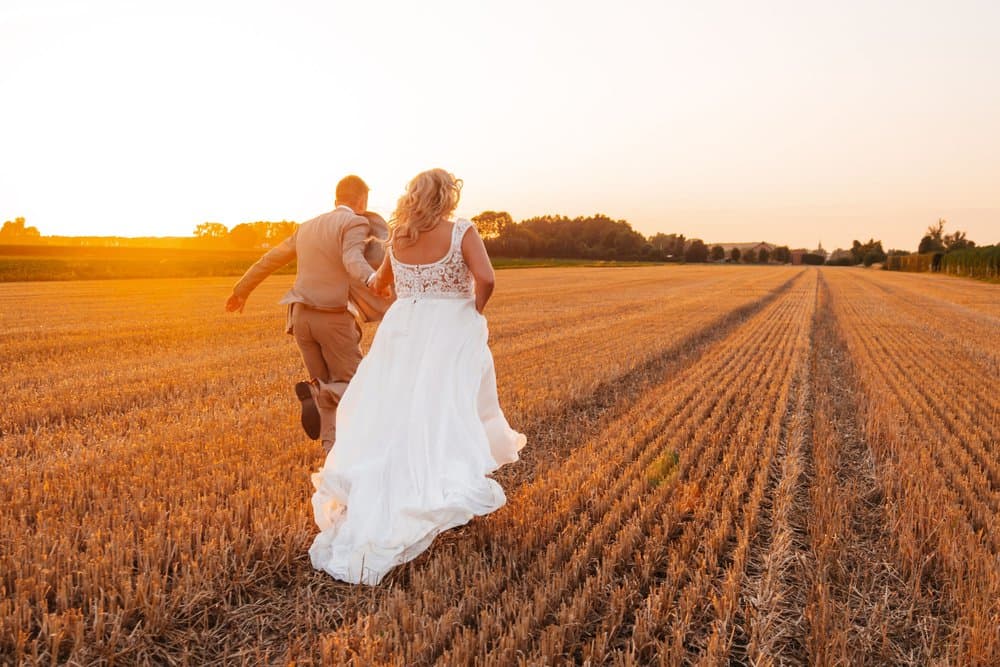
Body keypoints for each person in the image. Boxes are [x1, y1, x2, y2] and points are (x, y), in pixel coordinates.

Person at [309, 169, 526, 585]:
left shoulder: (399, 236)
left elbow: (378, 283)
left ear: (413, 196)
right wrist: (472, 309)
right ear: (448, 196)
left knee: (396, 410)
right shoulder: (462, 230)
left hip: (403, 329)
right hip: (450, 328)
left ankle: (388, 489)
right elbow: (487, 278)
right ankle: (438, 486)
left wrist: (401, 290)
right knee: (444, 407)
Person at [225, 175, 391, 453]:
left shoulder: (307, 227)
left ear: (336, 198)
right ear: (362, 200)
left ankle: (331, 451)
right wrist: (375, 280)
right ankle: (318, 396)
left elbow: (271, 259)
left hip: (300, 318)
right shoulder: (356, 222)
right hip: (332, 318)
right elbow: (353, 260)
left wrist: (241, 289)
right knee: (353, 388)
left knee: (328, 389)